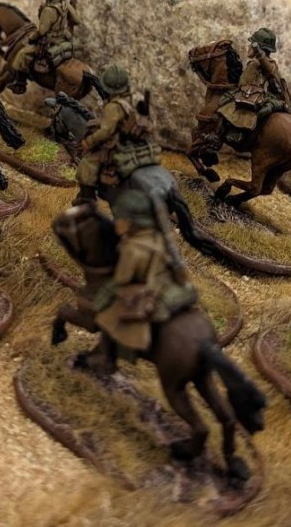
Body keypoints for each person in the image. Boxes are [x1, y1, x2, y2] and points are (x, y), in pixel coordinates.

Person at [74, 189, 197, 373]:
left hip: (144, 292)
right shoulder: (157, 238)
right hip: (165, 286)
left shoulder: (132, 248)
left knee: (105, 310)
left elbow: (122, 278)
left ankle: (106, 357)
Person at [73, 65, 155, 206]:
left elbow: (106, 131)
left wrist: (89, 141)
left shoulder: (112, 106)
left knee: (87, 164)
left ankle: (87, 198)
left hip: (116, 144)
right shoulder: (130, 100)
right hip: (130, 140)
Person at [7, 0, 81, 92]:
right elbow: (77, 20)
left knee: (22, 54)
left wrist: (32, 38)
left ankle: (20, 83)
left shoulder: (48, 10)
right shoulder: (65, 4)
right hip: (63, 38)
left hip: (49, 42)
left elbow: (42, 31)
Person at [216, 28, 291, 136]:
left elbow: (244, 84)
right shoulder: (265, 63)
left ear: (258, 48)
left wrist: (260, 55)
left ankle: (224, 136)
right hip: (256, 94)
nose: (248, 47)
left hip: (255, 96)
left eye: (251, 44)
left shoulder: (261, 64)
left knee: (225, 105)